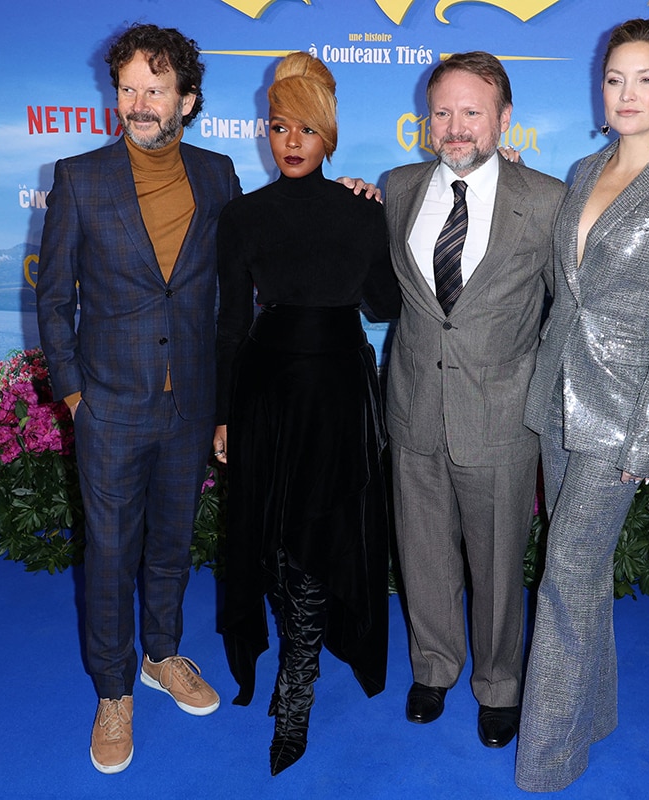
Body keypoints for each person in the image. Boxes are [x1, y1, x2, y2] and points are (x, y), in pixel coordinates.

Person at [515, 19, 649, 792]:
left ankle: (548, 759)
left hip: (622, 410)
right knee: (586, 571)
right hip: (556, 396)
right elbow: (557, 282)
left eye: (645, 78)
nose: (627, 93)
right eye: (614, 78)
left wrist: (648, 437)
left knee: (566, 572)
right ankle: (594, 711)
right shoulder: (579, 169)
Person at [36, 24, 241, 775]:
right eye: (127, 88)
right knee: (111, 551)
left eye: (155, 89)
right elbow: (53, 299)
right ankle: (114, 690)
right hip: (111, 404)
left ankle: (162, 655)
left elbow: (236, 289)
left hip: (189, 399)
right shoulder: (81, 177)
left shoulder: (218, 175)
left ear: (187, 99)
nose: (139, 103)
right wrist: (75, 396)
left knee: (171, 545)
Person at [212, 52, 401, 776]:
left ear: (329, 136)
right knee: (273, 538)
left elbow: (383, 305)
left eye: (306, 129)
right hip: (264, 388)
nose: (290, 142)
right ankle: (295, 664)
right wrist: (225, 416)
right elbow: (231, 326)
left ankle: (298, 689)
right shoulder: (243, 216)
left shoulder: (358, 211)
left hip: (338, 394)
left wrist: (374, 219)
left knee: (317, 534)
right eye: (278, 127)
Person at [384, 52, 565, 749]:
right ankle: (433, 667)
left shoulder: (546, 200)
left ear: (503, 119)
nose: (455, 127)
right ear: (426, 118)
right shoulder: (397, 187)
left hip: (500, 417)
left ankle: (498, 683)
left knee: (497, 563)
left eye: (471, 111)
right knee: (421, 551)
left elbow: (563, 312)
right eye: (442, 111)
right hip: (414, 406)